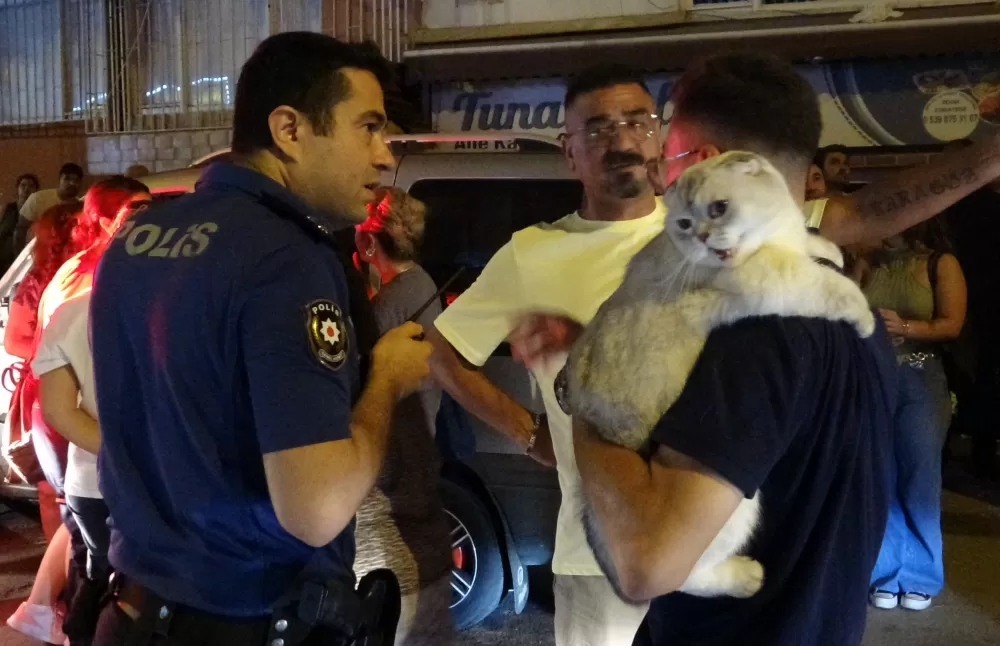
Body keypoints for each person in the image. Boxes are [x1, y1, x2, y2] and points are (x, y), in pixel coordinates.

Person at [430, 56, 1000, 645]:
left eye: (642, 122)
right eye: (598, 128)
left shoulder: (717, 237)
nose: (626, 141)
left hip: (676, 545)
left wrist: (588, 383)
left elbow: (865, 210)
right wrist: (531, 430)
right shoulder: (536, 251)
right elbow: (442, 350)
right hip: (610, 547)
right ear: (567, 149)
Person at [89, 33, 430, 646]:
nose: (385, 157)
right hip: (243, 620)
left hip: (131, 612)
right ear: (289, 129)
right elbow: (315, 508)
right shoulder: (286, 258)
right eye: (369, 128)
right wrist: (386, 379)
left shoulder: (135, 239)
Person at [353, 187, 453, 645]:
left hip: (390, 505)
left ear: (370, 243)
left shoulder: (385, 309)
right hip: (422, 484)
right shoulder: (424, 284)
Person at [856, 218, 966, 612]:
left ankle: (920, 575)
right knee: (879, 474)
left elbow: (952, 324)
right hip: (874, 375)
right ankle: (886, 573)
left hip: (921, 375)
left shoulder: (939, 263)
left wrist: (906, 326)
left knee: (919, 474)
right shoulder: (869, 261)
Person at [16, 162, 84, 254]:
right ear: (60, 179)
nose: (72, 183)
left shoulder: (81, 207)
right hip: (36, 255)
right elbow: (21, 230)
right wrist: (20, 256)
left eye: (76, 180)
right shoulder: (38, 198)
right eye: (67, 178)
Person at [0, 173, 39, 273]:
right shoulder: (6, 209)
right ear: (17, 188)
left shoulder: (38, 212)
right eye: (23, 185)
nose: (26, 189)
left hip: (25, 262)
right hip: (3, 261)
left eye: (31, 186)